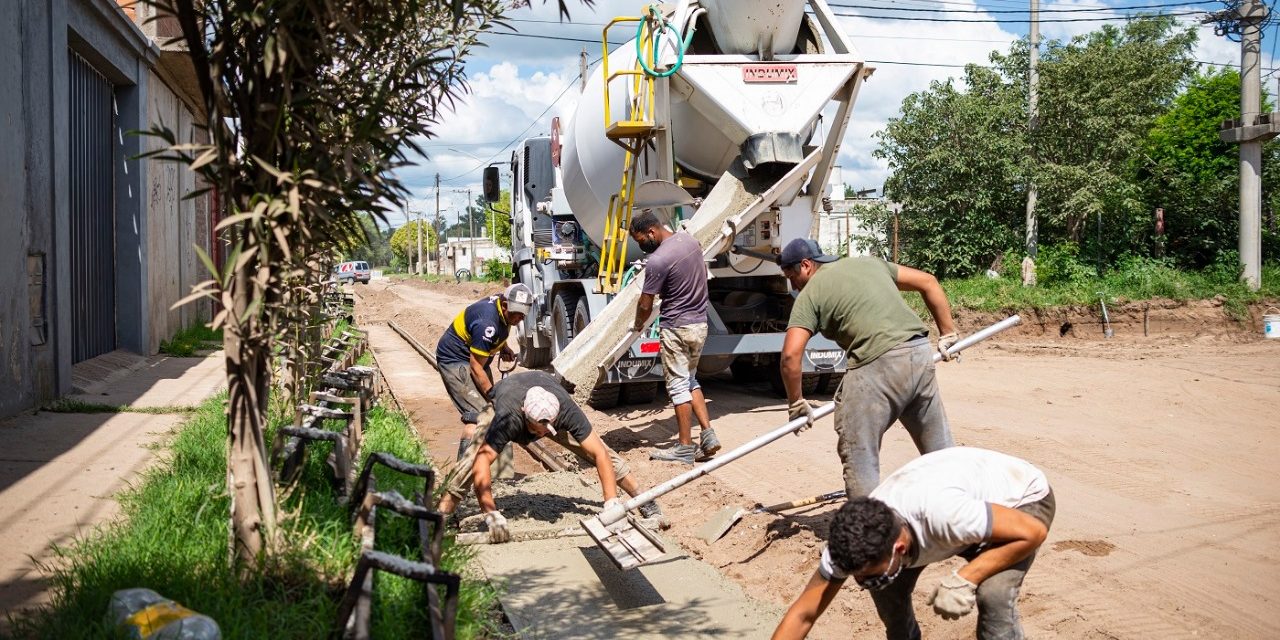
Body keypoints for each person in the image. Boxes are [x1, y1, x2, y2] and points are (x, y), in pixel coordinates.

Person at [772, 447, 1056, 640]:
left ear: (898, 548)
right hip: (957, 505)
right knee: (887, 592)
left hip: (1020, 500)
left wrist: (966, 577)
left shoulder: (946, 515)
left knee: (993, 594)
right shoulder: (849, 542)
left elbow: (1033, 533)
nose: (859, 581)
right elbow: (803, 613)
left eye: (866, 574)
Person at [778, 238, 959, 498]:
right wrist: (948, 333)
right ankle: (961, 513)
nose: (792, 285)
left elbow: (790, 356)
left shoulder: (810, 293)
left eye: (791, 276)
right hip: (918, 353)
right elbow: (928, 281)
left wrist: (796, 402)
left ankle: (867, 531)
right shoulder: (870, 264)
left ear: (806, 266)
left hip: (878, 362)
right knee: (940, 450)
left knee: (858, 450)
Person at [435, 371, 666, 541]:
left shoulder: (565, 411)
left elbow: (599, 454)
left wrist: (611, 501)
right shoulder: (509, 417)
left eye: (546, 430)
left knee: (605, 453)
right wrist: (490, 512)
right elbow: (484, 460)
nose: (542, 435)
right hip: (507, 397)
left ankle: (644, 500)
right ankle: (442, 515)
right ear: (526, 417)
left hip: (546, 393)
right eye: (538, 430)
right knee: (472, 459)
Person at [629, 210, 720, 465]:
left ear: (651, 232)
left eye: (640, 240)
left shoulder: (658, 261)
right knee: (690, 380)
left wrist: (638, 325)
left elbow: (646, 304)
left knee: (678, 386)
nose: (641, 246)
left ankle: (683, 447)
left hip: (676, 328)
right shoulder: (690, 242)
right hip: (699, 325)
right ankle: (708, 434)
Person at [436, 283, 534, 460]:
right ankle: (463, 477)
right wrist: (494, 396)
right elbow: (475, 367)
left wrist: (502, 346)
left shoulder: (501, 305)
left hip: (474, 359)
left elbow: (498, 328)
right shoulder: (487, 323)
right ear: (504, 305)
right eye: (516, 314)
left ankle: (489, 470)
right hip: (456, 361)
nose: (519, 318)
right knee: (480, 416)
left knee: (492, 410)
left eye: (523, 314)